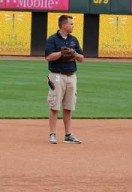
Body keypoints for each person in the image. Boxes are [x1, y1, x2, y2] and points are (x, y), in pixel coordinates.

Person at [45, 15, 84, 144]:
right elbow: (48, 57)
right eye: (71, 24)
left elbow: (82, 58)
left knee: (68, 106)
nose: (73, 25)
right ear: (63, 25)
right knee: (54, 105)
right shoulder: (52, 39)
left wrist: (74, 54)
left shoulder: (74, 40)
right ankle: (52, 134)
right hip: (57, 76)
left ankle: (68, 135)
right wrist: (62, 53)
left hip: (71, 76)